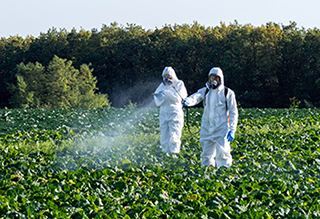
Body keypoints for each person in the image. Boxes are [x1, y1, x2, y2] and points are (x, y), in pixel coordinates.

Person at [182, 67, 238, 168]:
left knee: (223, 154)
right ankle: (207, 174)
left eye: (216, 78)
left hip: (221, 128)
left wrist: (232, 129)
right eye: (212, 78)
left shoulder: (227, 93)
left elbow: (233, 112)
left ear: (221, 79)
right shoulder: (205, 91)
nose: (214, 80)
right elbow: (196, 97)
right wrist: (187, 101)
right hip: (206, 128)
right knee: (206, 155)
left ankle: (223, 174)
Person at [153, 67, 188, 154]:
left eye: (168, 76)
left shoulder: (179, 84)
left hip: (175, 114)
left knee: (174, 136)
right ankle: (165, 153)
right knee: (164, 136)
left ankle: (174, 154)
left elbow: (180, 97)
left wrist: (167, 93)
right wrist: (160, 97)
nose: (166, 78)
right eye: (165, 76)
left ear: (173, 76)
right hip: (164, 114)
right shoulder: (162, 85)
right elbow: (157, 100)